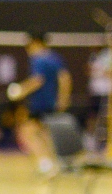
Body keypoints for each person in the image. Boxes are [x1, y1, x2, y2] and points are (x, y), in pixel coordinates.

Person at [9, 32, 69, 173]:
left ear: (36, 43)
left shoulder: (39, 59)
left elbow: (37, 80)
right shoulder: (55, 58)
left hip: (40, 103)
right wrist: (63, 99)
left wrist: (20, 90)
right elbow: (65, 78)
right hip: (52, 103)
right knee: (45, 133)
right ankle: (54, 163)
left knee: (27, 132)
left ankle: (45, 163)